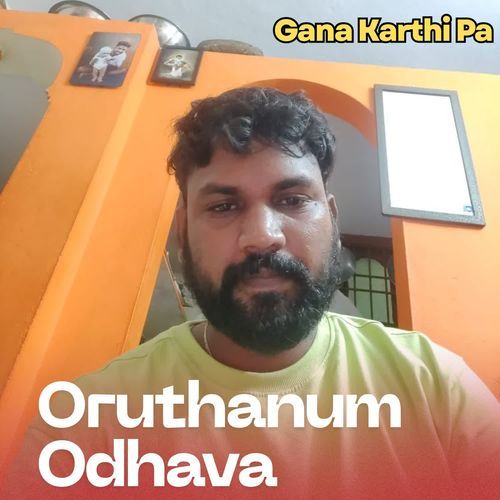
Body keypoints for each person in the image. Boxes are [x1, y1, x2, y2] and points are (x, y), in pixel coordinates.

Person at [3, 87, 499, 499]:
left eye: (292, 200)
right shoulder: (88, 425)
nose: (262, 236)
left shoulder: (436, 386)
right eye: (223, 206)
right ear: (183, 233)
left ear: (332, 219)